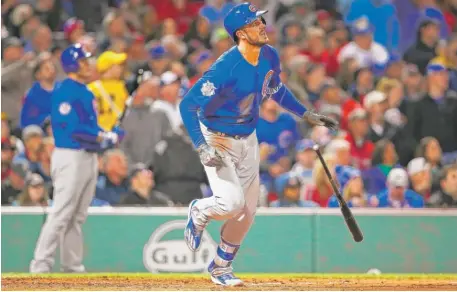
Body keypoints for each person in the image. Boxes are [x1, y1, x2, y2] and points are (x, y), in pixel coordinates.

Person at [179, 3, 337, 286]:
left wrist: (306, 114)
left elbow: (275, 87)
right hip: (217, 136)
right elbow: (188, 105)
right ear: (240, 33)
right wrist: (202, 146)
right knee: (230, 203)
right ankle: (199, 211)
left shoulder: (269, 55)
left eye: (260, 21)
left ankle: (220, 267)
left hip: (248, 137)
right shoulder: (226, 67)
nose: (262, 26)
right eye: (254, 23)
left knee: (249, 210)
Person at [30, 44, 124, 273]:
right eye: (83, 61)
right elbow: (72, 128)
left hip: (88, 156)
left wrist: (108, 136)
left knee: (78, 216)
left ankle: (72, 266)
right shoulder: (65, 90)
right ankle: (40, 265)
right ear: (73, 64)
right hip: (69, 156)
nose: (88, 64)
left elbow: (90, 127)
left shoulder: (85, 91)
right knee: (61, 212)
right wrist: (104, 136)